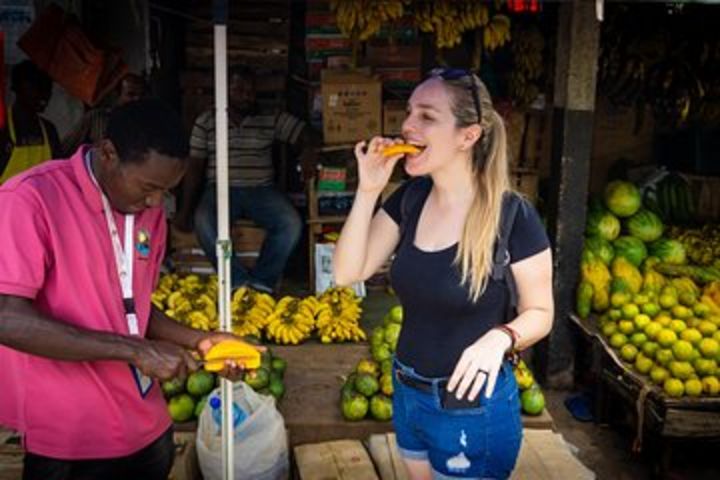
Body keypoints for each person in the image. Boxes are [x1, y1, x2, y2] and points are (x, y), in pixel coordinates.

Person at [0, 98, 255, 480]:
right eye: (149, 187)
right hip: (72, 439)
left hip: (147, 429)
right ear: (108, 154)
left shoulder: (146, 212)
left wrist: (199, 340)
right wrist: (134, 350)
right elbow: (7, 318)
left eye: (166, 191)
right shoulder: (30, 199)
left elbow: (130, 308)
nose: (156, 202)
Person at [333, 69, 554, 480]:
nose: (407, 125)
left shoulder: (513, 216)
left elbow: (541, 312)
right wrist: (367, 191)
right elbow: (347, 272)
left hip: (471, 407)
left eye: (427, 117)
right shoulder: (410, 198)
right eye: (409, 112)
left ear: (467, 136)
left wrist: (499, 338)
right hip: (407, 392)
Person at [174, 66, 317, 294]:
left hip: (261, 189)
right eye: (239, 89)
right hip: (219, 189)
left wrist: (307, 151)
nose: (246, 95)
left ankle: (262, 283)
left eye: (250, 90)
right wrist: (185, 209)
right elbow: (195, 166)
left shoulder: (270, 117)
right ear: (226, 92)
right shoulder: (207, 121)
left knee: (291, 223)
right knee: (203, 221)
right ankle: (237, 281)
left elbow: (304, 133)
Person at [0, 60, 60, 184]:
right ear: (18, 89)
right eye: (36, 87)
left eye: (48, 88)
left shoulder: (49, 131)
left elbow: (58, 177)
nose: (44, 94)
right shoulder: (3, 128)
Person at [60, 73, 146, 156]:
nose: (137, 99)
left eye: (141, 95)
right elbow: (64, 149)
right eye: (131, 94)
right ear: (117, 95)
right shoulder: (96, 118)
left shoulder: (145, 126)